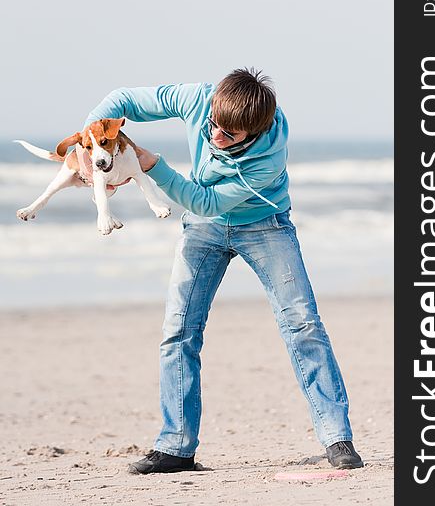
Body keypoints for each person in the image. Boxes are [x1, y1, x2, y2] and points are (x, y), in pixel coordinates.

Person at [83, 68, 363, 473]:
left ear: (254, 132)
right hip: (203, 230)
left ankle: (337, 438)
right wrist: (88, 146)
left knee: (303, 324)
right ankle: (176, 447)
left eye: (229, 135)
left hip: (262, 224)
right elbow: (121, 100)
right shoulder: (199, 100)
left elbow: (205, 202)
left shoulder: (266, 156)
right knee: (178, 330)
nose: (215, 136)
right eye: (213, 125)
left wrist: (151, 164)